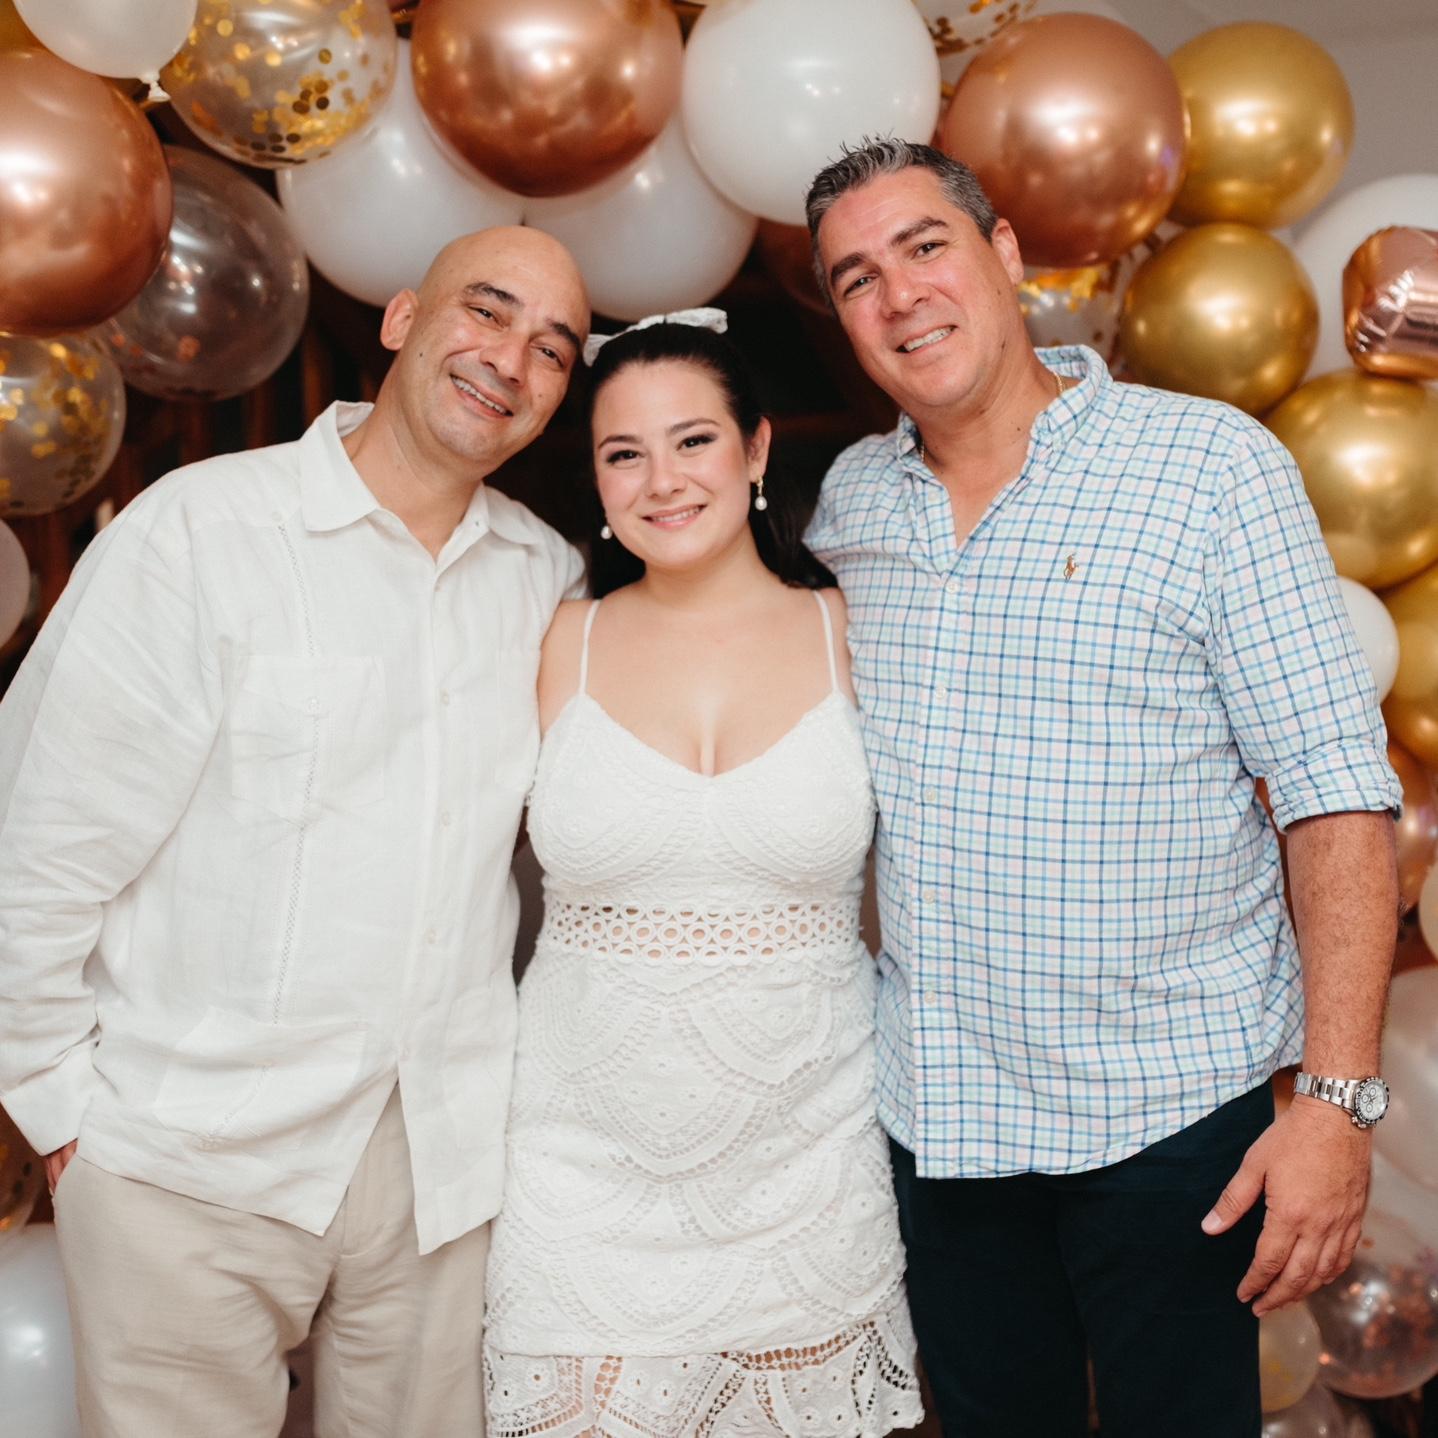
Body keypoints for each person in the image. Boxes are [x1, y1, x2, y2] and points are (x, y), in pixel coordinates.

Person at [802, 138, 1401, 1437]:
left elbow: (1334, 792)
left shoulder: (1208, 468)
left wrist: (1336, 1102)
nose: (899, 295)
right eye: (855, 278)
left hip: (1167, 1122)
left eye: (924, 246)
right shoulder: (849, 507)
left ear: (1004, 252)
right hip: (938, 1120)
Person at [0, 227, 590, 1438]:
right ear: (402, 318)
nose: (509, 360)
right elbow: (37, 841)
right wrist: (66, 1115)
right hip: (189, 1161)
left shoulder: (545, 580)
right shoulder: (200, 533)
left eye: (552, 348)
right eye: (486, 311)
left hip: (442, 1175)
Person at [481, 313, 924, 1438]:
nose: (662, 481)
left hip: (808, 1164)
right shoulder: (553, 639)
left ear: (757, 448)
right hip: (579, 1170)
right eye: (623, 453)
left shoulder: (856, 628)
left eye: (693, 441)